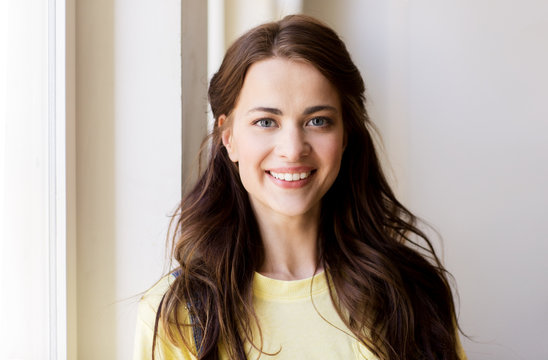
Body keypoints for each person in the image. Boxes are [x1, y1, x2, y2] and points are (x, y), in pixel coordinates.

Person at [133, 14, 467, 360]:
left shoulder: (414, 292)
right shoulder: (179, 316)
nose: (292, 148)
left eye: (317, 121)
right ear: (228, 137)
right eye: (266, 122)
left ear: (345, 134)